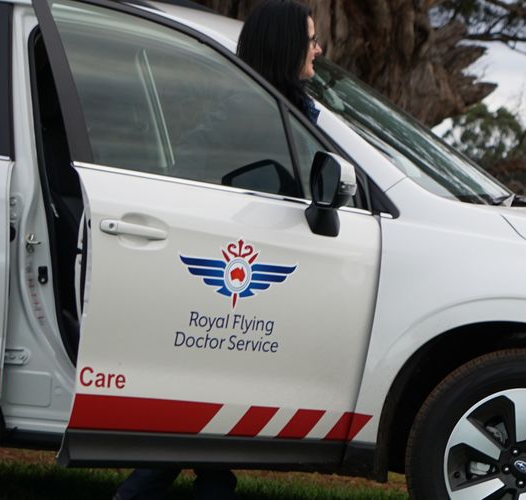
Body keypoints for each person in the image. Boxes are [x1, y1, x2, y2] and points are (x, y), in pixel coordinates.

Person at [114, 1, 321, 498]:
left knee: (224, 398)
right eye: (311, 40)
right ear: (285, 46)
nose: (318, 49)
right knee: (218, 391)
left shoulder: (290, 105)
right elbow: (192, 167)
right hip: (231, 267)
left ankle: (178, 483)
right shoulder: (249, 108)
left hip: (264, 264)